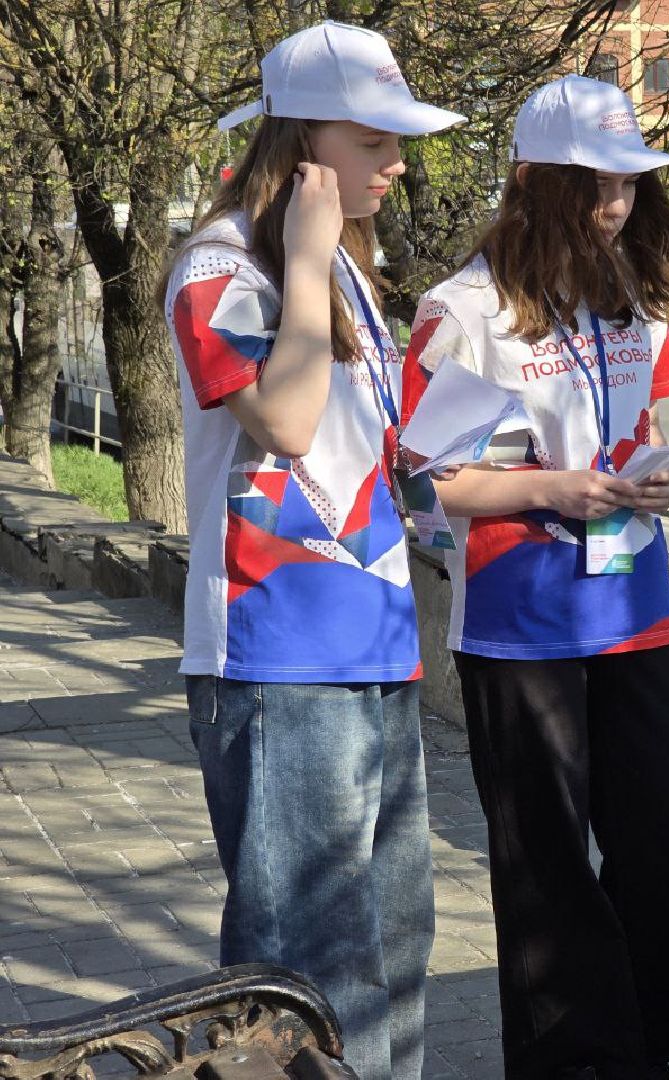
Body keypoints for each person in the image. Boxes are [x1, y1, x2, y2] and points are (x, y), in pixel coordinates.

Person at [400, 75, 669, 1080]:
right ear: (536, 183)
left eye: (629, 183)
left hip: (637, 608)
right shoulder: (465, 311)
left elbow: (643, 425)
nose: (616, 203)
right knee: (547, 872)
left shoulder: (632, 297)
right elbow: (425, 482)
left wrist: (655, 479)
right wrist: (553, 488)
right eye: (595, 185)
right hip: (522, 625)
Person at [161, 22, 463, 1080]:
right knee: (306, 967)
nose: (397, 162)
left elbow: (367, 452)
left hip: (371, 643)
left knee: (393, 951)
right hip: (277, 657)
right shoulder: (222, 268)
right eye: (373, 140)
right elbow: (287, 423)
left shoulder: (338, 270)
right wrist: (300, 258)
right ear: (300, 147)